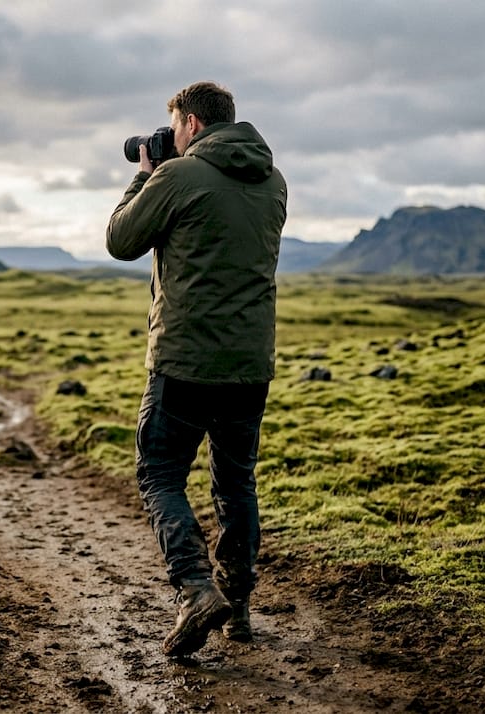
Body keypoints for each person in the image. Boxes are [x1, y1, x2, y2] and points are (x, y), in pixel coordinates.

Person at [106, 81, 286, 657]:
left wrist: (145, 172)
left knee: (159, 475)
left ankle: (194, 589)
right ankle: (239, 609)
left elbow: (120, 239)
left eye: (177, 125)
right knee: (236, 486)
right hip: (249, 365)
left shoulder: (177, 176)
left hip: (182, 361)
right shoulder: (273, 181)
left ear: (191, 125)